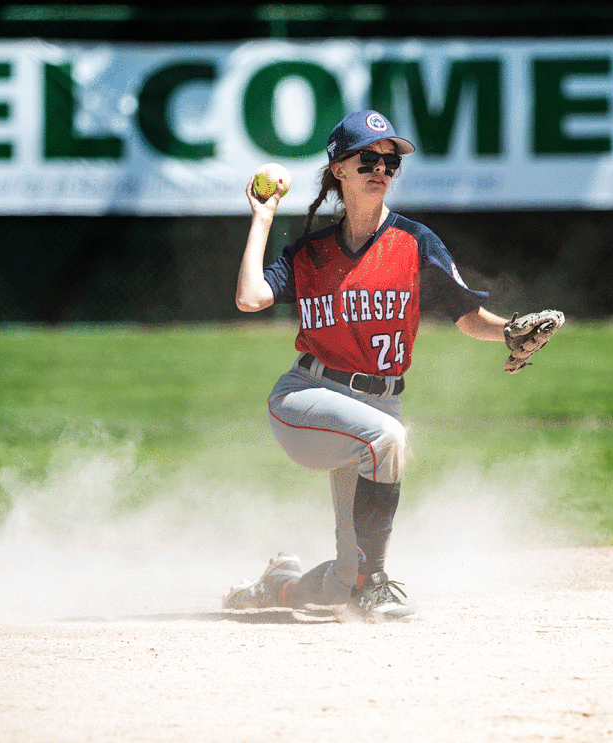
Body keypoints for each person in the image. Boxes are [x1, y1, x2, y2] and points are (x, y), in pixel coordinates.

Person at [225, 110, 540, 620]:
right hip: (308, 398)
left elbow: (464, 314)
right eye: (367, 158)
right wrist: (262, 218)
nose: (381, 168)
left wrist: (506, 330)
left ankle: (282, 585)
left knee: (340, 582)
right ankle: (375, 586)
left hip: (380, 402)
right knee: (387, 439)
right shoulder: (312, 252)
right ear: (338, 170)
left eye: (390, 161)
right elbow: (250, 297)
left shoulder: (415, 243)